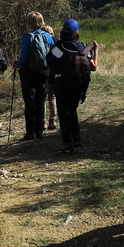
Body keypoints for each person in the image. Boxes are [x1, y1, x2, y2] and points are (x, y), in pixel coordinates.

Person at [48, 19, 98, 153]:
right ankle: (77, 138)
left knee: (63, 113)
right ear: (77, 32)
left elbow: (52, 64)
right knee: (73, 110)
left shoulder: (58, 47)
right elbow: (93, 67)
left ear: (63, 31)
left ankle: (67, 143)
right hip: (79, 84)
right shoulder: (84, 47)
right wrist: (96, 50)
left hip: (62, 83)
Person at [14, 11, 55, 140]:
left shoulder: (27, 37)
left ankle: (30, 132)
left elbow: (24, 57)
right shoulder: (48, 36)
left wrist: (16, 65)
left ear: (29, 22)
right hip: (44, 71)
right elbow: (53, 52)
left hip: (29, 72)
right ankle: (39, 131)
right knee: (40, 100)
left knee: (30, 101)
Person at [42, 25, 58, 131]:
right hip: (54, 73)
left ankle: (42, 122)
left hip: (43, 71)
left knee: (42, 99)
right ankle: (52, 121)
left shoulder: (42, 39)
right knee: (52, 98)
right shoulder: (56, 40)